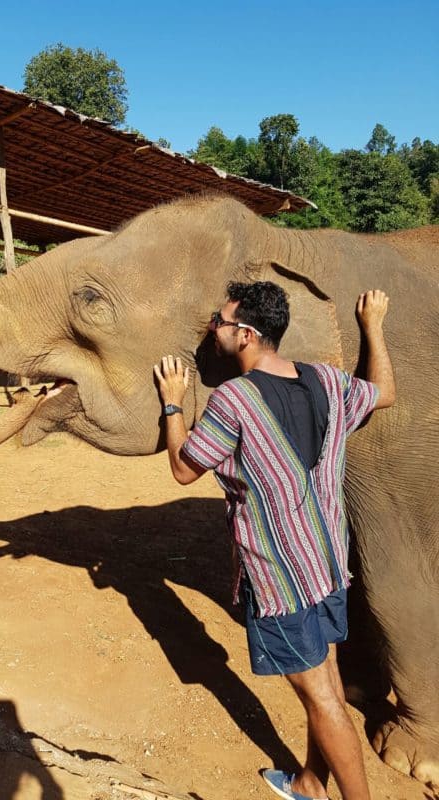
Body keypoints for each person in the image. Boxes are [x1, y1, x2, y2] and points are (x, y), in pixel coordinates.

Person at [153, 282, 395, 800]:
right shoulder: (327, 381)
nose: (213, 329)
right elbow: (384, 393)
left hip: (280, 577)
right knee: (324, 683)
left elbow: (182, 469)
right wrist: (372, 328)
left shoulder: (235, 400)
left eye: (220, 322)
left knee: (322, 699)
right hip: (328, 565)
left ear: (246, 335)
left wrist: (173, 407)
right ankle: (309, 782)